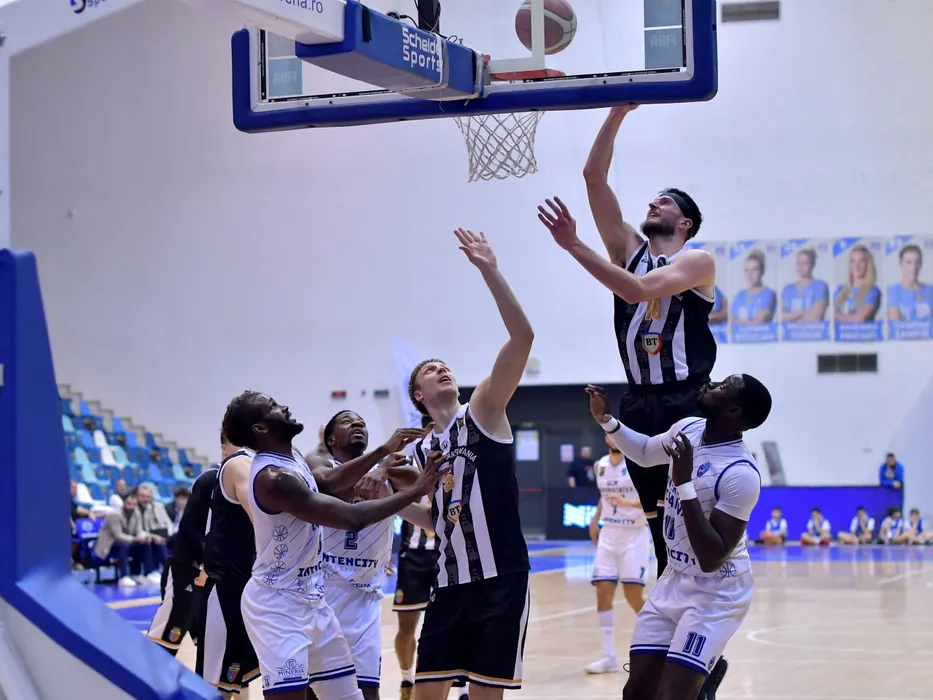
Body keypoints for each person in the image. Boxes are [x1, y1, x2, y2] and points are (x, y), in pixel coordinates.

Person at [541, 103, 726, 698]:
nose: (654, 203)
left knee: (689, 524)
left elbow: (639, 290)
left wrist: (574, 246)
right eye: (653, 199)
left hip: (686, 402)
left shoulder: (696, 261)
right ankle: (684, 649)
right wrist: (617, 112)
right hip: (641, 402)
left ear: (685, 222)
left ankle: (704, 643)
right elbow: (594, 178)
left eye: (665, 201)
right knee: (659, 532)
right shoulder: (627, 245)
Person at [222, 391, 445, 700]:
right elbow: (353, 518)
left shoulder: (292, 459)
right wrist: (417, 489)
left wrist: (384, 453)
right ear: (260, 428)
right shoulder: (273, 478)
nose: (284, 405)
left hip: (315, 600)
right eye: (273, 406)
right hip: (278, 605)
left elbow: (329, 483)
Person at [403, 228, 534, 700]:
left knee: (485, 695)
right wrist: (391, 502)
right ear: (418, 394)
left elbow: (522, 337)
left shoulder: (481, 410)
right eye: (430, 370)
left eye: (445, 366)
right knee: (427, 693)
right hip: (448, 583)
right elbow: (437, 519)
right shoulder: (421, 452)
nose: (443, 369)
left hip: (501, 580)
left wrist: (490, 271)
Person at [585, 374, 771, 700]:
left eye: (723, 387)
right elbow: (645, 453)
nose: (712, 385)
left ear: (734, 412)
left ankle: (703, 682)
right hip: (674, 578)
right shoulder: (689, 428)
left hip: (716, 593)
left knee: (671, 695)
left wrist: (684, 482)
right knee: (637, 691)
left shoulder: (740, 473)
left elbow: (712, 558)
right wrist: (608, 421)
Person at [311, 409, 421, 700]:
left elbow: (418, 481)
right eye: (348, 421)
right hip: (323, 595)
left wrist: (384, 470)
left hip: (366, 598)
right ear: (331, 439)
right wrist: (382, 455)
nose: (357, 423)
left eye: (361, 421)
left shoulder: (385, 470)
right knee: (314, 691)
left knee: (368, 691)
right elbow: (328, 482)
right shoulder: (318, 463)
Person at [197, 434, 259, 697]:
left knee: (239, 672)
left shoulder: (255, 466)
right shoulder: (231, 469)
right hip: (224, 584)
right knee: (215, 681)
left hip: (249, 582)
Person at [584, 434, 649, 675]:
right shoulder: (599, 466)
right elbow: (604, 498)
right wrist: (595, 519)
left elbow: (651, 498)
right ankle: (608, 655)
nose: (612, 438)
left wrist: (626, 503)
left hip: (634, 535)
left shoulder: (638, 464)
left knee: (632, 594)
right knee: (602, 590)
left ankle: (661, 643)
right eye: (608, 434)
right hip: (609, 534)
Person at [147, 466, 217, 655]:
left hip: (206, 573)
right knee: (170, 627)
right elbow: (188, 530)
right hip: (184, 568)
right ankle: (151, 671)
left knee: (206, 634)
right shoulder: (209, 484)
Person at [834, 243, 881, 323]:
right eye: (852, 261)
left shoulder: (873, 291)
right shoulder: (840, 290)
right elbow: (831, 316)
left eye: (861, 261)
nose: (856, 266)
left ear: (868, 265)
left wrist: (837, 316)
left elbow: (860, 318)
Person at [780, 247, 829, 323]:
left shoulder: (820, 286)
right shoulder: (787, 289)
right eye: (798, 263)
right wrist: (801, 313)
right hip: (789, 330)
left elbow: (816, 318)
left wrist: (791, 316)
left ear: (812, 265)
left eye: (805, 264)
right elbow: (781, 317)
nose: (800, 267)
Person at [887, 244, 933, 322]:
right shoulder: (893, 291)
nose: (913, 267)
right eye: (908, 262)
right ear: (901, 264)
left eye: (917, 262)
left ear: (921, 264)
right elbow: (895, 325)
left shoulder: (930, 290)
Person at [730, 249, 777, 325]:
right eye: (747, 270)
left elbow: (759, 322)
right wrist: (750, 321)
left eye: (754, 270)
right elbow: (730, 320)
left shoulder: (769, 294)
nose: (750, 274)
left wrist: (738, 321)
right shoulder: (740, 295)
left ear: (762, 271)